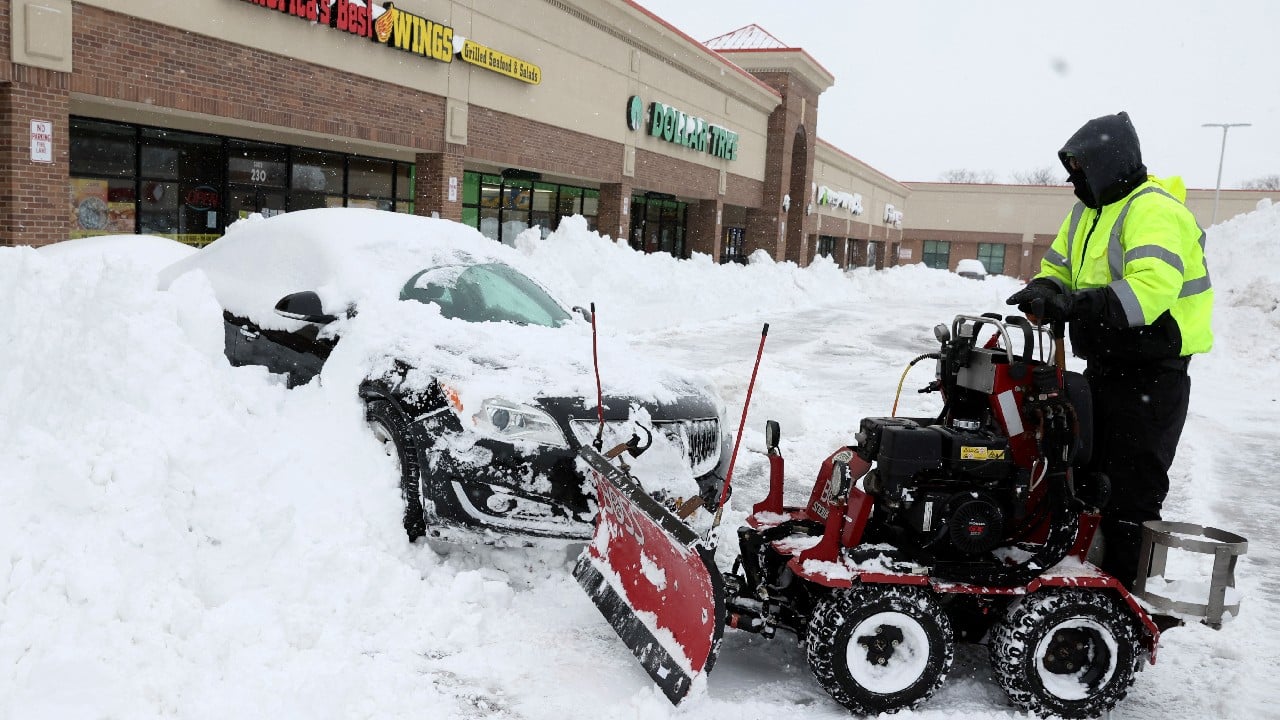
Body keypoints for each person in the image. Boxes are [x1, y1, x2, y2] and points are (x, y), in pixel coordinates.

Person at [1006, 111, 1213, 588]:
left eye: (1081, 168)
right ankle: (1085, 576)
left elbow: (1151, 291)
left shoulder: (1155, 210)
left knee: (1130, 492)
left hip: (1152, 374)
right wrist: (1044, 289)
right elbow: (1058, 264)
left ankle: (1125, 598)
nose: (1074, 178)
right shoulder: (1088, 210)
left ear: (1109, 163)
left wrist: (1077, 303)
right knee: (1083, 476)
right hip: (1103, 367)